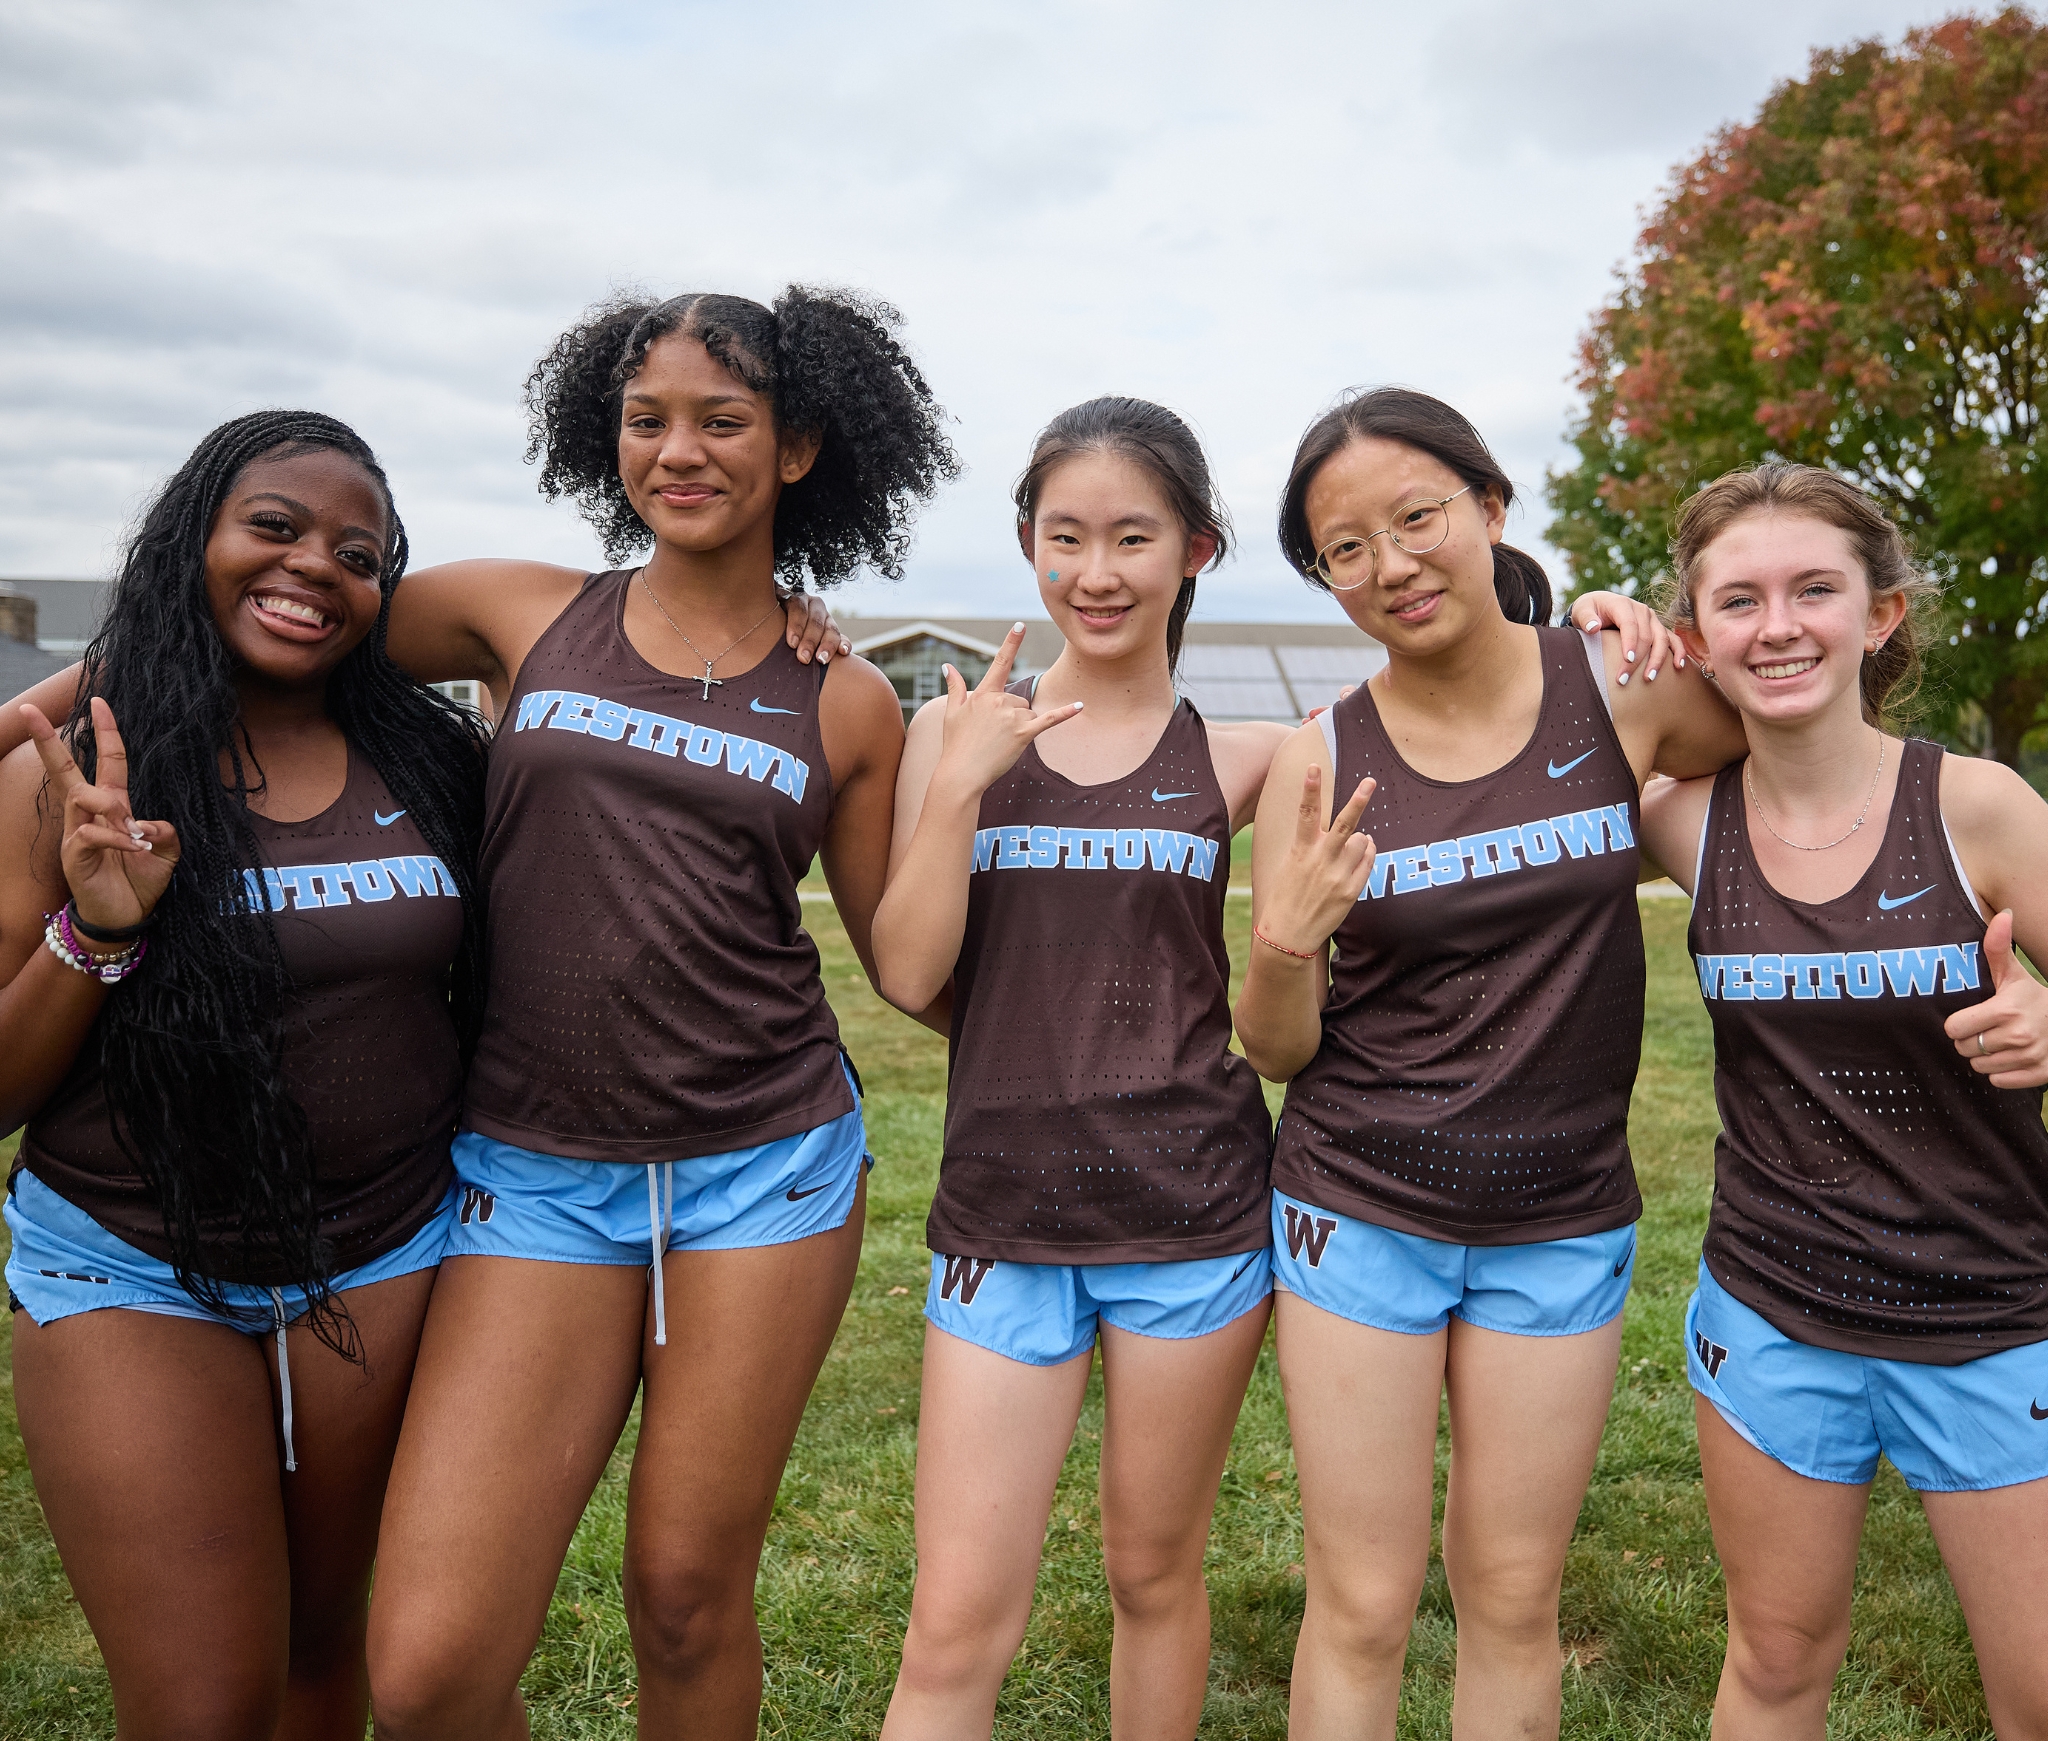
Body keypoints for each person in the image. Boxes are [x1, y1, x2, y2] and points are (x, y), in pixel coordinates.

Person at [350, 287, 956, 1739]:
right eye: (646, 421)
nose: (678, 451)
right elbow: (270, 624)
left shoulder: (847, 700)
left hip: (764, 1170)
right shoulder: (526, 613)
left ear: (799, 448)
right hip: (533, 1172)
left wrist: (987, 779)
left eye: (721, 422)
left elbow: (911, 966)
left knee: (686, 1596)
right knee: (429, 1670)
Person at [1232, 387, 1745, 1741]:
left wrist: (1653, 616)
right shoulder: (1320, 754)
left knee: (1515, 1595)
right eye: (1347, 548)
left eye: (1418, 517)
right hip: (1359, 1205)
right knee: (1361, 1600)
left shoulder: (1620, 694)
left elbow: (1789, 745)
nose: (1391, 564)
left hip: (1559, 1219)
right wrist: (1283, 943)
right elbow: (1275, 1046)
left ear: (1491, 508)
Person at [1, 410, 487, 1738]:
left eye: (357, 552)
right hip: (130, 1260)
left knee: (328, 1650)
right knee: (203, 1707)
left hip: (386, 1252)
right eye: (273, 528)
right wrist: (98, 930)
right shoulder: (78, 774)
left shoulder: (435, 761)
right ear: (195, 540)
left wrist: (784, 614)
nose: (314, 568)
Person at [870, 398, 1286, 1741]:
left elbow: (1459, 711)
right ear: (1029, 546)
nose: (1096, 572)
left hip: (1193, 1224)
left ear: (1196, 552)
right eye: (1065, 537)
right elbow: (907, 970)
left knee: (1151, 1571)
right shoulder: (955, 737)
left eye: (1131, 538)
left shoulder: (1245, 758)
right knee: (949, 1622)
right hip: (1003, 1221)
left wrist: (1604, 619)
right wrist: (961, 785)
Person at [1633, 464, 2048, 1740]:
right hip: (1772, 1310)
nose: (1778, 626)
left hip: (1990, 1310)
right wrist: (1601, 619)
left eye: (1815, 588)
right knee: (1771, 1658)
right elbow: (1522, 729)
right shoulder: (1677, 826)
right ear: (1698, 636)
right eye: (1738, 600)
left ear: (1878, 614)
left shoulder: (1973, 805)